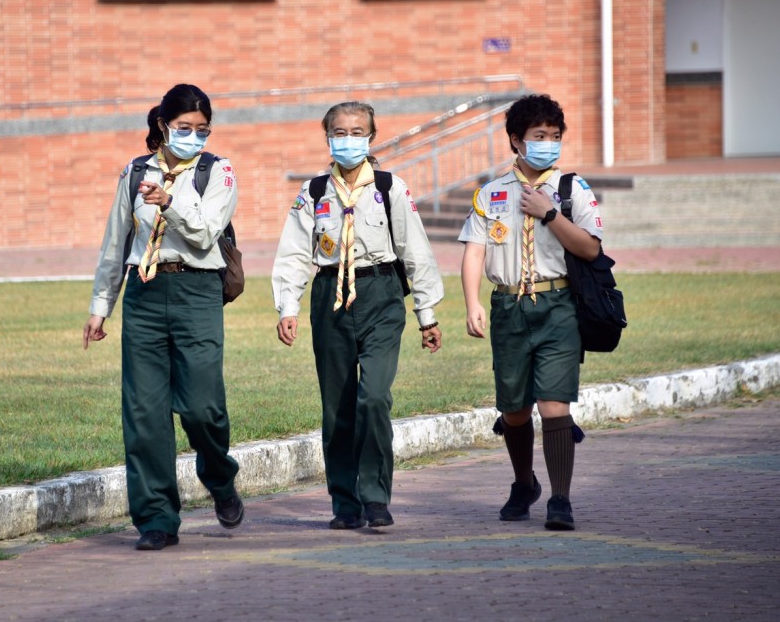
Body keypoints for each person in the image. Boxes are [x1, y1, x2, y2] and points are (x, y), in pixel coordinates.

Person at [83, 83, 243, 551]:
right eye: (183, 128)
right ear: (162, 125)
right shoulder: (135, 172)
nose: (193, 137)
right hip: (145, 292)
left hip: (197, 291)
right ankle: (156, 518)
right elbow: (115, 243)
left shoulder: (218, 172)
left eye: (202, 130)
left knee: (201, 406)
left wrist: (171, 204)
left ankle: (219, 476)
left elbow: (207, 232)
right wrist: (100, 306)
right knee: (144, 414)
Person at [271, 101, 444, 530]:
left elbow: (415, 251)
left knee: (374, 397)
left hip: (381, 292)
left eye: (357, 132)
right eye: (340, 132)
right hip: (330, 294)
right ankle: (345, 503)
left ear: (371, 137)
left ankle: (376, 496)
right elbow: (294, 253)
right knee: (338, 407)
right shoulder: (313, 192)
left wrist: (427, 313)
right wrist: (287, 305)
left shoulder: (390, 188)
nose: (348, 140)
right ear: (327, 137)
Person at [458, 94, 603, 530]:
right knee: (516, 408)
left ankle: (561, 498)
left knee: (554, 405)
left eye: (555, 137)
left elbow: (590, 249)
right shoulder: (491, 193)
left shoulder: (571, 189)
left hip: (557, 305)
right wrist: (472, 303)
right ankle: (525, 482)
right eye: (539, 136)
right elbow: (473, 250)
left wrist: (550, 213)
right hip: (509, 305)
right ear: (516, 141)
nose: (549, 144)